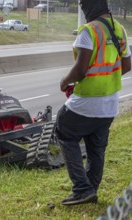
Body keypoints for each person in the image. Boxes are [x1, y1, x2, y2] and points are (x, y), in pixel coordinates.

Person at [55, 0, 131, 206]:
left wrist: (65, 81)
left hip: (87, 101)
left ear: (89, 7)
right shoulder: (119, 29)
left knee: (63, 130)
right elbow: (126, 65)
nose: (83, 10)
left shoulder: (89, 31)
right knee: (96, 148)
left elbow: (80, 69)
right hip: (110, 104)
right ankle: (91, 189)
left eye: (83, 6)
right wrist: (105, 78)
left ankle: (82, 189)